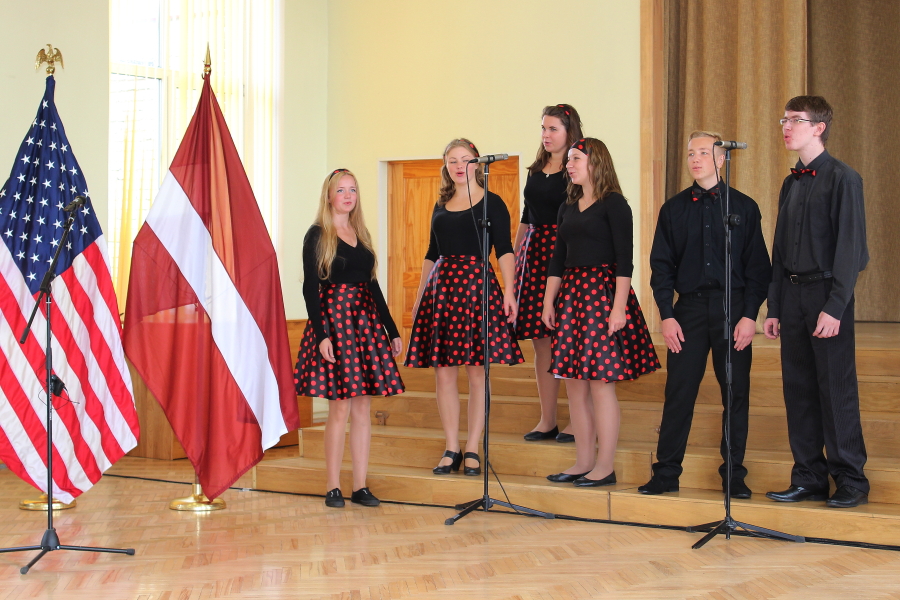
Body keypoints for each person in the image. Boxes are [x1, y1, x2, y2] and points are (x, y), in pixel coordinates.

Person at [639, 131, 771, 498]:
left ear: (721, 158)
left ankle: (734, 475)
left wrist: (749, 316)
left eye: (703, 152)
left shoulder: (744, 207)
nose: (695, 159)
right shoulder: (673, 209)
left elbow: (758, 268)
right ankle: (666, 473)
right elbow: (661, 267)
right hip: (689, 311)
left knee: (735, 393)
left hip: (734, 308)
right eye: (690, 153)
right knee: (679, 392)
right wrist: (667, 315)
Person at [764, 96, 870, 509]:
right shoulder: (790, 183)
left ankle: (851, 479)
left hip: (827, 295)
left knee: (835, 387)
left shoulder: (844, 179)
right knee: (798, 388)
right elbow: (779, 250)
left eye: (795, 120)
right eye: (784, 120)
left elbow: (852, 250)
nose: (787, 127)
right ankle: (808, 476)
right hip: (792, 296)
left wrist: (836, 305)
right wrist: (774, 307)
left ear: (819, 127)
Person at [542, 138, 660, 486]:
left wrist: (618, 308)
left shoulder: (614, 204)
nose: (569, 165)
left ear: (595, 163)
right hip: (572, 297)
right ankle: (583, 462)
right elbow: (557, 260)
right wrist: (548, 301)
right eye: (569, 160)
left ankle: (605, 466)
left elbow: (625, 260)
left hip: (602, 296)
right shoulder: (567, 206)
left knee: (600, 385)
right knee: (575, 387)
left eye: (575, 159)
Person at [405, 138, 524, 477]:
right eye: (452, 160)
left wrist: (510, 291)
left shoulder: (493, 202)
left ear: (477, 162)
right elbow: (431, 252)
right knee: (444, 373)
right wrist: (420, 295)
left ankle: (473, 446)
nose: (459, 166)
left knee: (476, 373)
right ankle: (451, 447)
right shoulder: (440, 204)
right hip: (442, 290)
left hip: (476, 288)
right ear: (446, 166)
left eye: (465, 159)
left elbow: (504, 250)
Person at [294, 169, 405, 509]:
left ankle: (360, 486)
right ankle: (332, 486)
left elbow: (372, 285)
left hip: (365, 323)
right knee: (339, 408)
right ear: (329, 196)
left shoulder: (361, 232)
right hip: (335, 323)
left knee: (362, 407)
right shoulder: (317, 234)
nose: (347, 196)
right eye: (341, 190)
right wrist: (322, 335)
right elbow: (310, 288)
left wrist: (391, 329)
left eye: (352, 190)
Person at [515, 104, 583, 444]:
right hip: (534, 254)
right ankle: (547, 419)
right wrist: (514, 258)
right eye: (543, 128)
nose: (546, 134)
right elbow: (526, 216)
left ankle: (579, 421)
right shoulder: (535, 169)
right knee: (542, 342)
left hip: (567, 254)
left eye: (553, 128)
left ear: (570, 131)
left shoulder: (578, 169)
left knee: (569, 340)